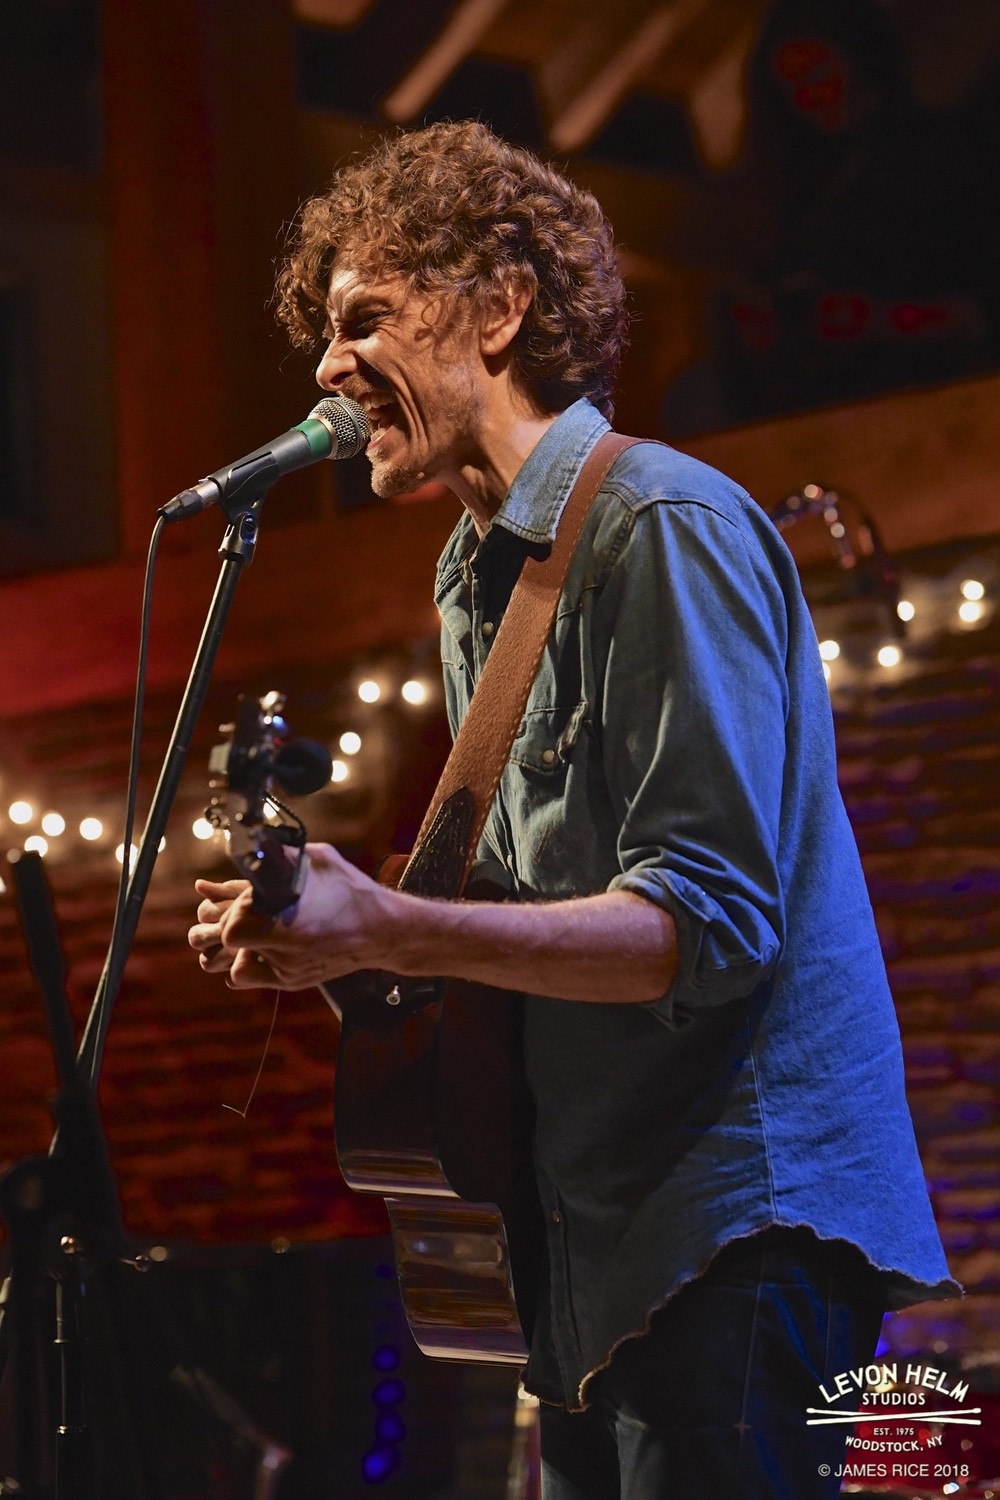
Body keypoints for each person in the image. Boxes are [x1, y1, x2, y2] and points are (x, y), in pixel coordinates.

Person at [188, 121, 958, 1498]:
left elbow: (703, 928)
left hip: (734, 1225)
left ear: (499, 306)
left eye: (365, 318)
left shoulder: (660, 526)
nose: (325, 366)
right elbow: (518, 930)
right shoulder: (470, 576)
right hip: (588, 1246)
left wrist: (394, 927)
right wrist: (335, 941)